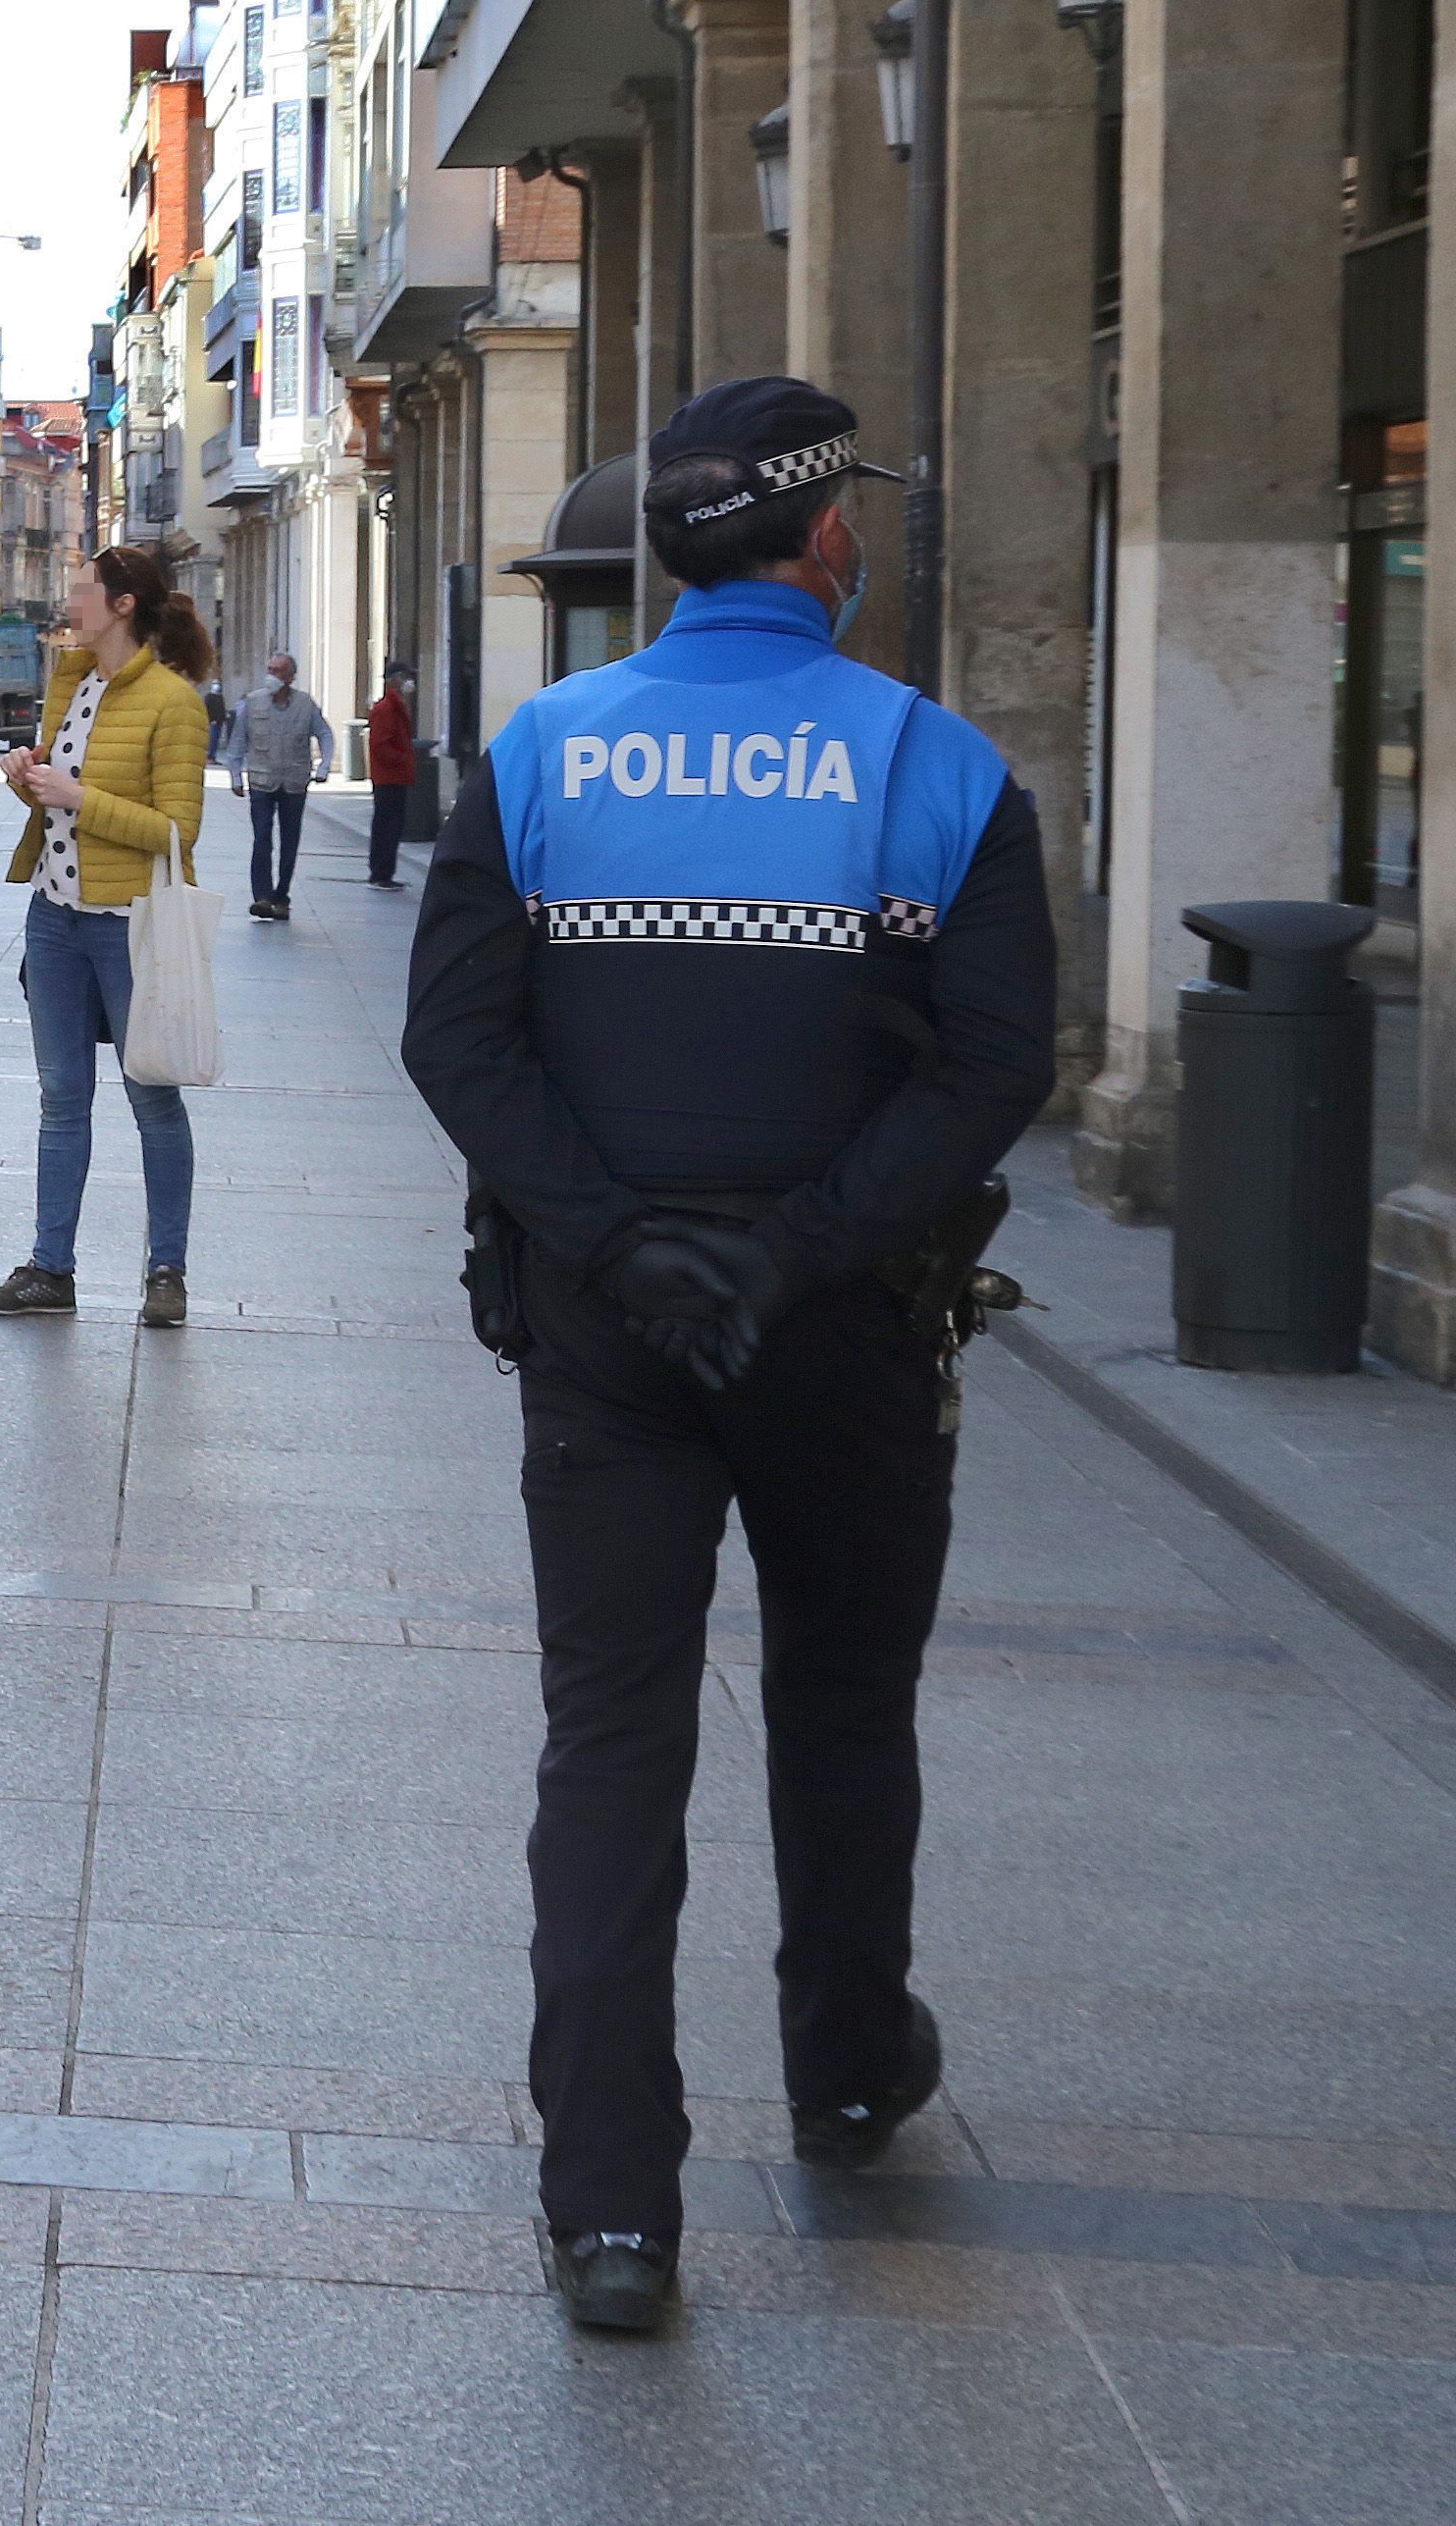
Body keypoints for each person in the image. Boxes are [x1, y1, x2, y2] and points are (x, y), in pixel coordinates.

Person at [398, 377, 1056, 2340]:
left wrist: (617, 1243)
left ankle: (612, 2206)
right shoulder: (937, 767)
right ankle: (850, 2064)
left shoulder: (538, 759)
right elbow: (998, 1061)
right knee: (845, 1708)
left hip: (607, 1338)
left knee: (612, 1744)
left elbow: (460, 1044)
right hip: (843, 1328)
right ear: (822, 541)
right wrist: (801, 1249)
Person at [0, 542, 214, 1331]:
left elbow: (180, 832)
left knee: (153, 1098)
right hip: (54, 918)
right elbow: (57, 810)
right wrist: (28, 783)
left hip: (129, 926)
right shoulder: (70, 684)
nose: (70, 603)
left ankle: (166, 1273)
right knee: (61, 1099)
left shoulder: (174, 703)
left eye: (83, 592)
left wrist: (77, 794)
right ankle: (51, 1269)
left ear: (122, 605)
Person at [232, 652, 335, 921]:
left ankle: (282, 896)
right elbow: (238, 741)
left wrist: (324, 767)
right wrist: (234, 775)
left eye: (278, 671)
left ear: (290, 676)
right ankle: (262, 896)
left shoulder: (305, 704)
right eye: (270, 669)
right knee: (262, 836)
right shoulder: (252, 704)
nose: (272, 676)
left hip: (294, 782)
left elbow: (324, 734)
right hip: (261, 781)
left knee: (290, 841)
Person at [365, 659, 419, 890]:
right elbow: (380, 744)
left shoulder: (395, 706)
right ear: (395, 679)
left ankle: (384, 871)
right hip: (389, 777)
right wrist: (403, 759)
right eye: (406, 677)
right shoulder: (388, 708)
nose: (410, 682)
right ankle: (380, 873)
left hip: (394, 776)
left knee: (390, 825)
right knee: (387, 826)